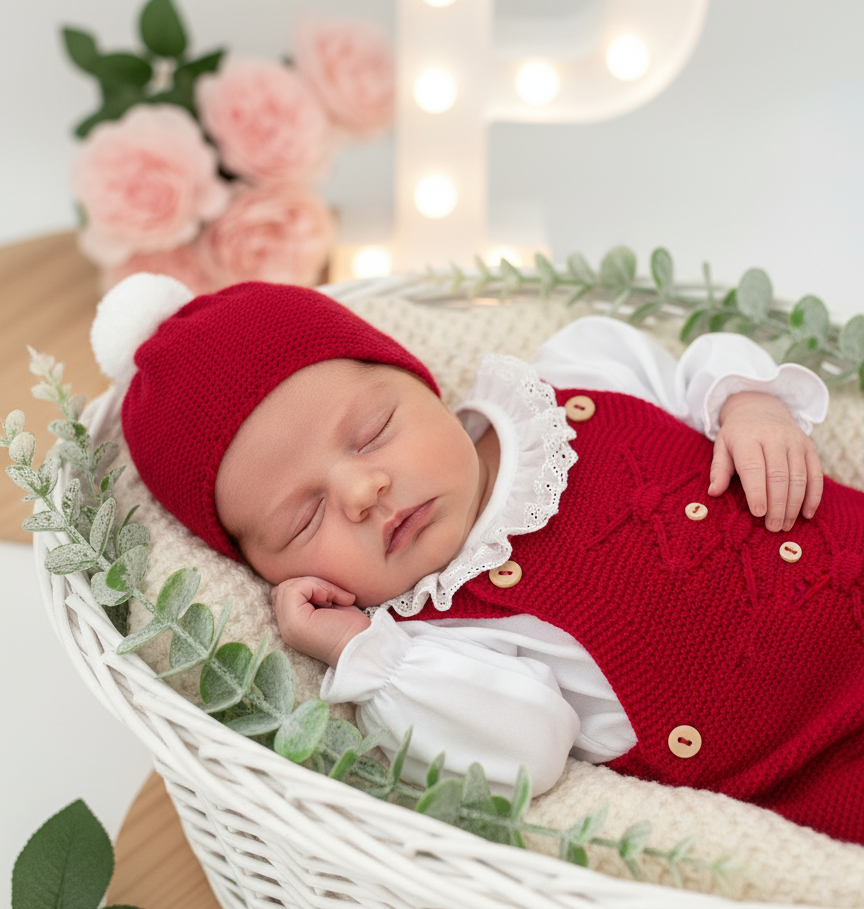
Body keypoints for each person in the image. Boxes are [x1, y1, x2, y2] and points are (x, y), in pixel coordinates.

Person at [94, 275, 864, 846]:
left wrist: (747, 402)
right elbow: (523, 751)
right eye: (306, 517)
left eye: (370, 433)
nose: (363, 490)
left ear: (420, 382)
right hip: (825, 761)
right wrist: (362, 650)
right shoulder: (438, 640)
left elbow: (697, 366)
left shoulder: (573, 381)